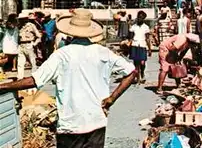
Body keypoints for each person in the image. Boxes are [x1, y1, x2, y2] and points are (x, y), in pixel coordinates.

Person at [0, 9, 137, 148]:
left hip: (71, 125)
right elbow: (131, 72)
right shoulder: (103, 52)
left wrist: (4, 86)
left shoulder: (62, 55)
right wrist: (111, 99)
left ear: (70, 31)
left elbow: (34, 80)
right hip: (97, 121)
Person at [129, 11, 152, 84]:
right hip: (135, 45)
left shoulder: (146, 27)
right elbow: (130, 37)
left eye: (141, 17)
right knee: (135, 62)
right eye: (138, 17)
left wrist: (149, 49)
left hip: (142, 45)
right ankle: (137, 76)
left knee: (142, 62)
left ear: (143, 18)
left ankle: (142, 72)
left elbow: (147, 39)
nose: (139, 19)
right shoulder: (133, 27)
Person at [17, 14, 41, 80]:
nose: (20, 20)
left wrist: (34, 44)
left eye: (22, 19)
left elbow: (39, 36)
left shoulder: (31, 26)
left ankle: (34, 77)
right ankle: (20, 77)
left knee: (32, 62)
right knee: (20, 62)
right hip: (21, 45)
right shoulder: (19, 26)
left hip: (29, 44)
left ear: (25, 19)